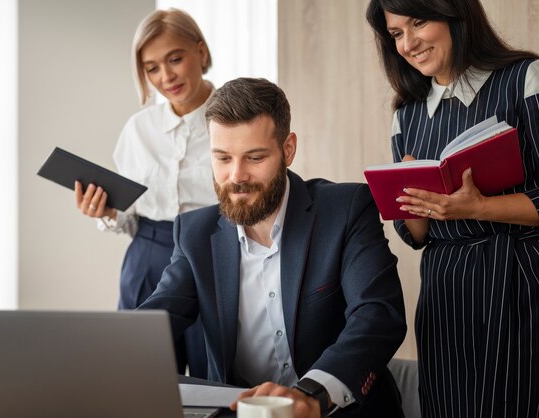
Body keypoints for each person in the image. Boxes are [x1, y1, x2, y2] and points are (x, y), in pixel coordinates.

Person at [139, 77, 407, 418]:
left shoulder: (346, 209)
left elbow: (378, 315)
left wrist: (311, 395)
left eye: (254, 157)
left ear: (288, 149)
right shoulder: (193, 234)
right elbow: (154, 320)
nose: (236, 176)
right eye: (222, 158)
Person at [366, 1, 539, 417]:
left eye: (419, 22)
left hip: (518, 279)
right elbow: (416, 236)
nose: (408, 43)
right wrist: (410, 197)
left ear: (455, 15)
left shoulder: (523, 80)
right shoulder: (407, 116)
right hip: (446, 292)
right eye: (396, 34)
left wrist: (479, 207)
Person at [74, 8, 217, 379]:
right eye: (152, 68)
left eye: (175, 59)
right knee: (139, 377)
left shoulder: (234, 117)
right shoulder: (139, 129)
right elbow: (128, 215)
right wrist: (105, 211)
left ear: (200, 52)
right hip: (148, 257)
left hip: (215, 255)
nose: (166, 76)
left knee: (215, 377)